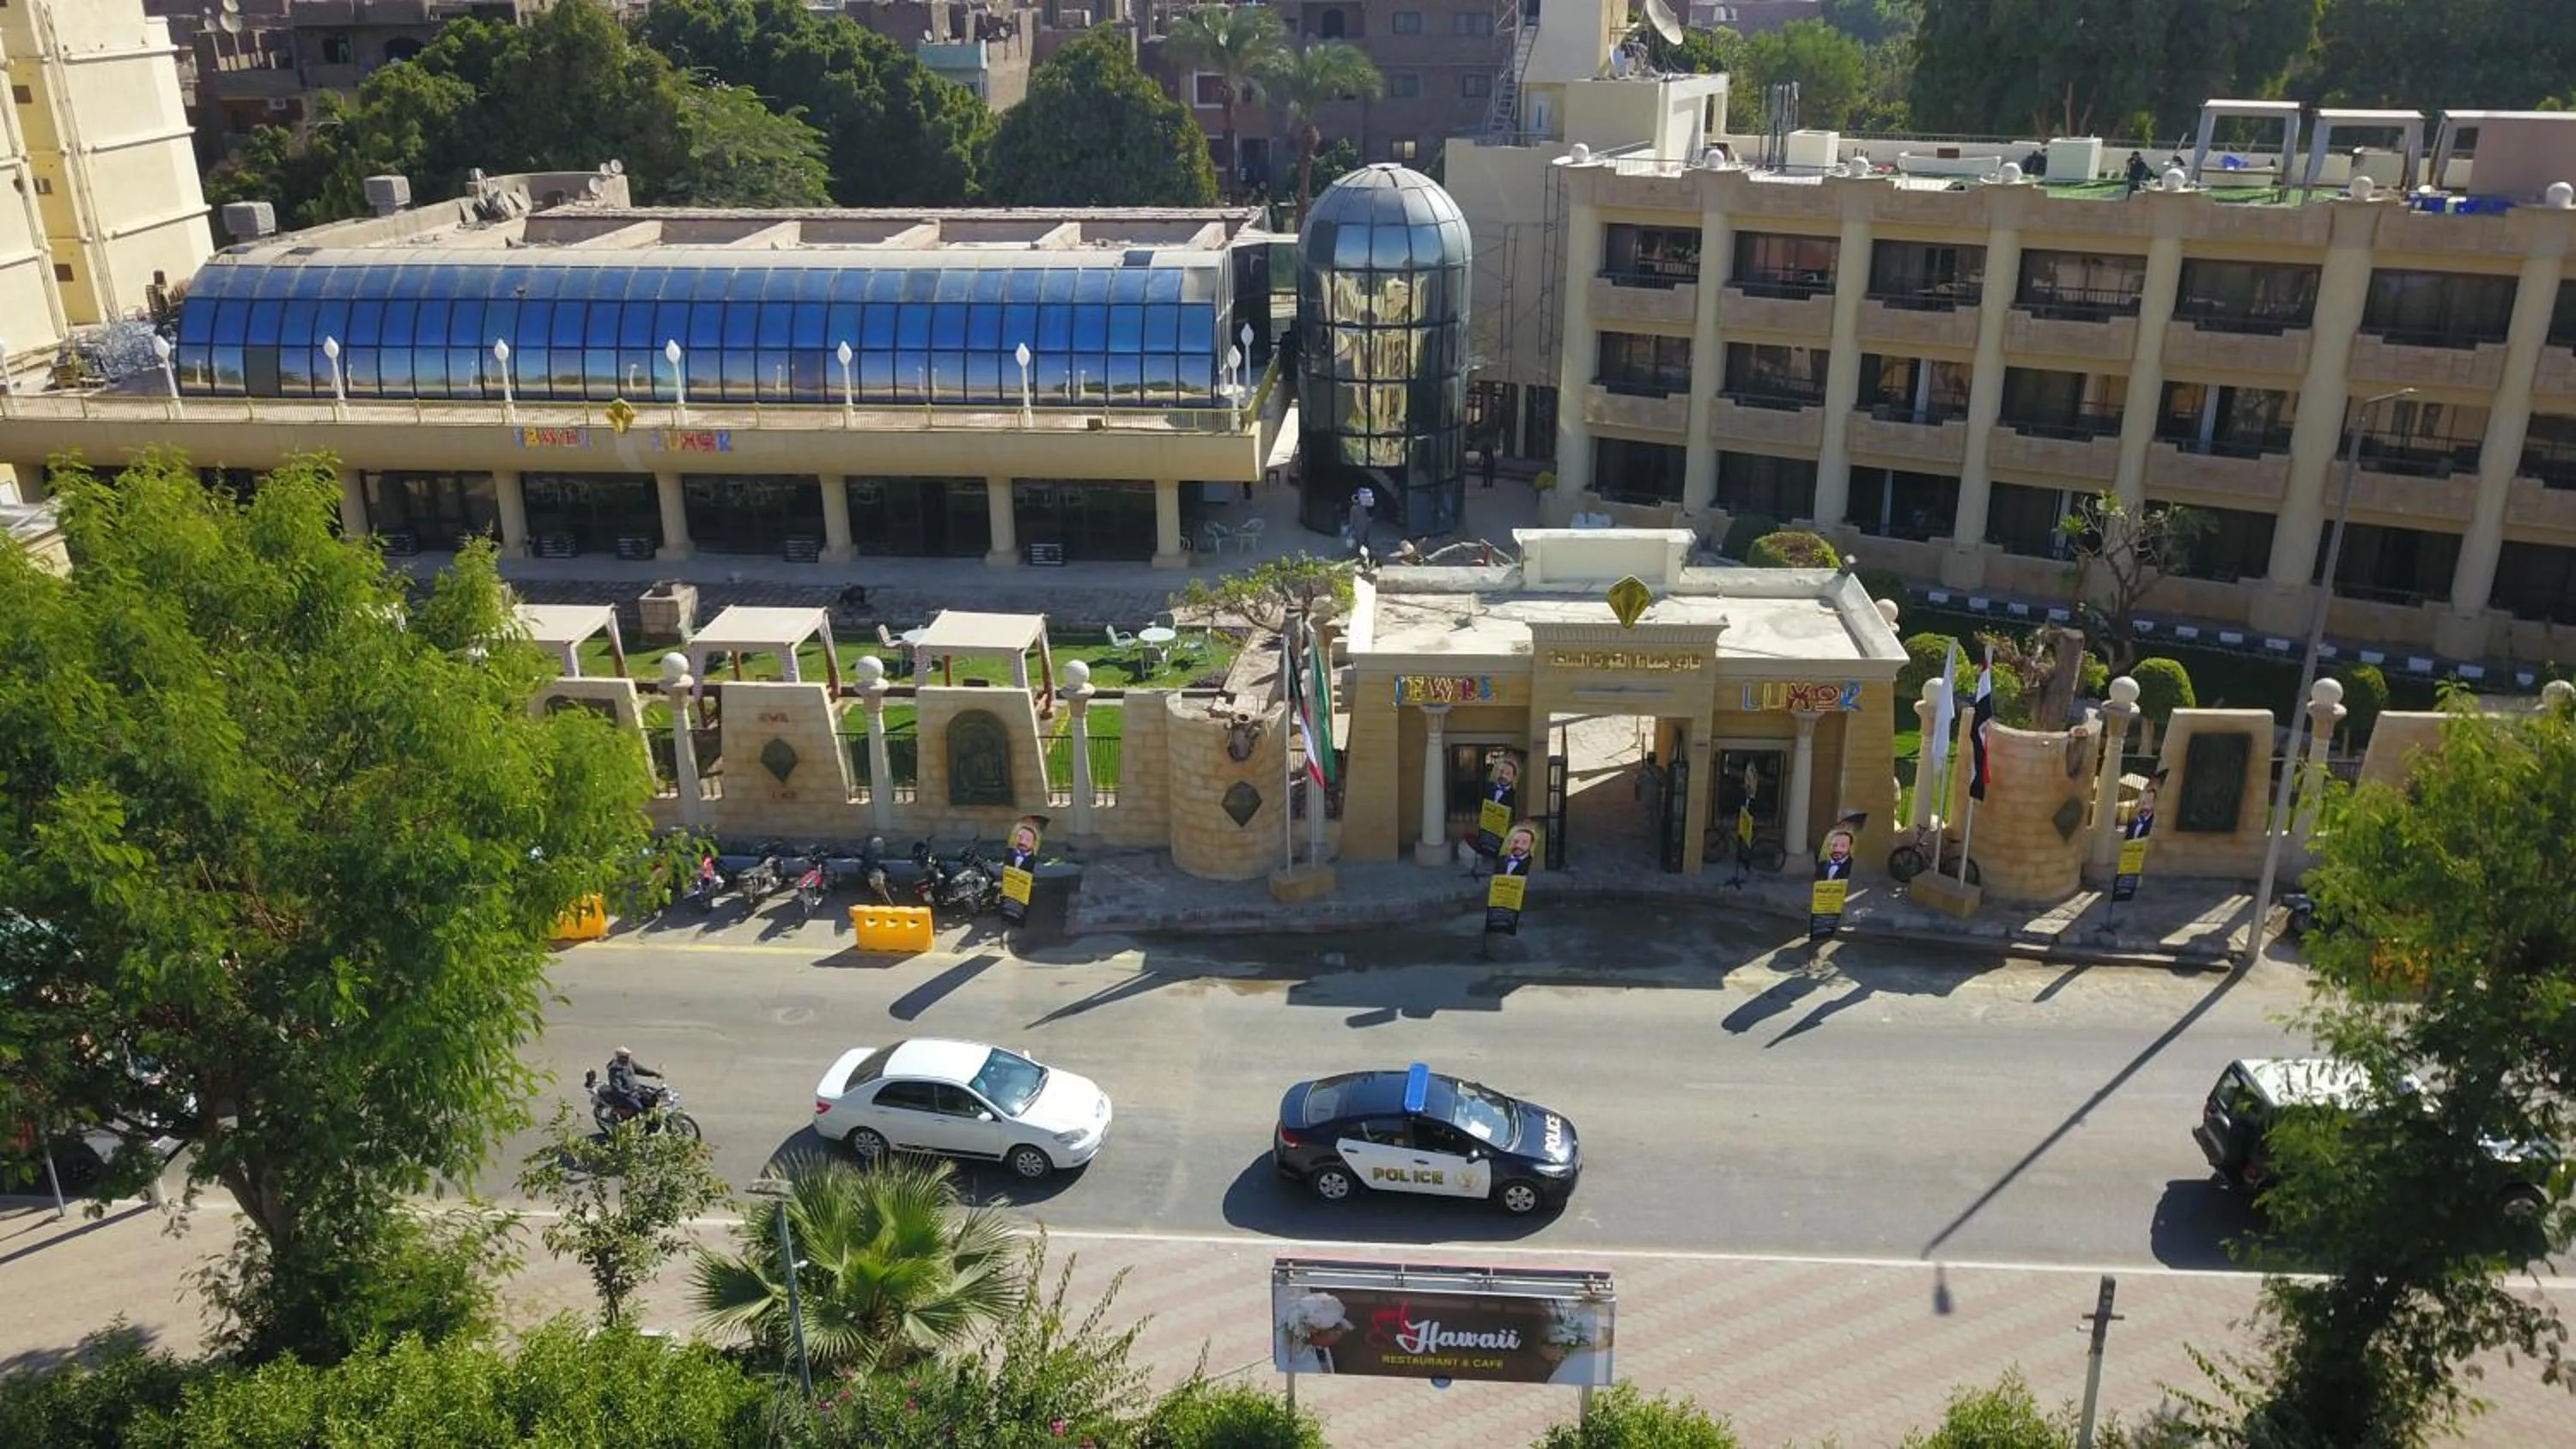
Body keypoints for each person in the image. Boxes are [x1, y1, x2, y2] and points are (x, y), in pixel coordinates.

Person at [604, 1046, 664, 1122]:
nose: (628, 1058)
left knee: (653, 1096)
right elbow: (617, 1088)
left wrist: (654, 1073)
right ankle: (617, 1111)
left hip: (635, 1089)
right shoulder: (614, 1070)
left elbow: (641, 1070)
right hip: (623, 1095)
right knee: (638, 1108)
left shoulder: (629, 1063)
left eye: (628, 1056)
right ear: (619, 1057)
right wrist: (629, 1093)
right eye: (625, 1057)